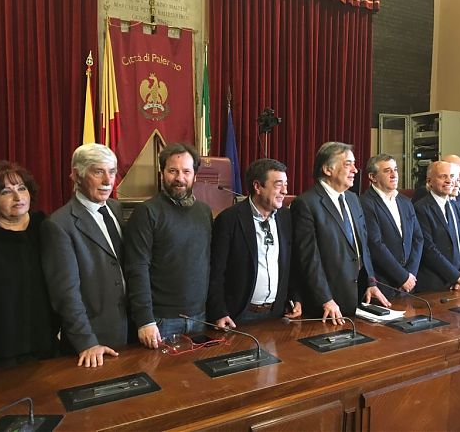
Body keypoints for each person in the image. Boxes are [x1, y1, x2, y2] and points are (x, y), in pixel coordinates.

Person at [41, 144, 127, 367]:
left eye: (112, 172)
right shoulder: (59, 224)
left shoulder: (117, 209)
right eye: (98, 172)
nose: (108, 181)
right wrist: (87, 342)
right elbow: (65, 293)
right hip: (94, 342)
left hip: (131, 331)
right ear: (77, 175)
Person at [0, 162, 58, 372]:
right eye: (6, 192)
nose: (18, 197)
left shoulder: (45, 226)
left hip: (48, 345)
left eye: (22, 188)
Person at [290, 142, 390, 325]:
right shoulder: (306, 203)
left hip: (359, 297)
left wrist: (371, 282)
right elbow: (308, 258)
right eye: (348, 164)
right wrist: (325, 299)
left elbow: (362, 246)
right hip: (327, 306)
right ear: (328, 169)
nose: (355, 170)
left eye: (354, 164)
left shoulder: (353, 199)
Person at [125, 143, 212, 349]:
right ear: (162, 173)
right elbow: (137, 268)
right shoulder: (146, 213)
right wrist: (145, 320)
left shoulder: (204, 212)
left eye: (186, 172)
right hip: (161, 321)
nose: (179, 178)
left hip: (200, 317)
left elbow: (208, 262)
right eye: (173, 171)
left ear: (195, 176)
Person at [207, 159, 301, 328]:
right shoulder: (229, 220)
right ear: (257, 186)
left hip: (278, 313)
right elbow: (216, 272)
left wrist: (295, 297)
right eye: (278, 185)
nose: (285, 191)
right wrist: (219, 311)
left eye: (285, 184)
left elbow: (291, 264)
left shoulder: (286, 217)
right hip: (239, 316)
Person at [360, 154, 423, 297]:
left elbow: (418, 238)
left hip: (409, 283)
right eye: (387, 171)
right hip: (383, 284)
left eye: (395, 169)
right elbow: (375, 244)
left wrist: (410, 275)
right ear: (372, 177)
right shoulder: (365, 203)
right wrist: (402, 276)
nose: (394, 175)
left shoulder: (405, 202)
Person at [414, 161, 460, 292]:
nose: (449, 181)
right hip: (435, 284)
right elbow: (429, 249)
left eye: (452, 176)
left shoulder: (457, 206)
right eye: (443, 176)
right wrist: (456, 277)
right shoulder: (420, 208)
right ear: (429, 181)